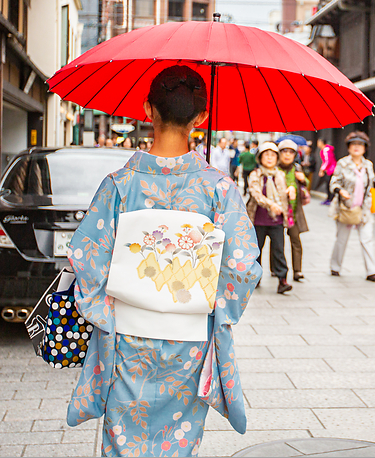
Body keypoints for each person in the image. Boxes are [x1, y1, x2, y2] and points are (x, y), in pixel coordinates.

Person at [65, 64, 262, 456]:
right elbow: (241, 266)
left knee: (124, 437)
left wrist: (110, 310)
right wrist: (209, 310)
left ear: (147, 110)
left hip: (128, 339)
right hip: (189, 342)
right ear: (201, 118)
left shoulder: (119, 185)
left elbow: (86, 257)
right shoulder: (218, 189)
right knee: (179, 442)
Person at [328, 131, 375, 282]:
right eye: (353, 144)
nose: (356, 147)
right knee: (342, 239)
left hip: (364, 209)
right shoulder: (343, 163)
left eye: (360, 144)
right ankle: (335, 267)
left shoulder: (368, 165)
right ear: (348, 147)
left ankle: (372, 271)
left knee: (366, 239)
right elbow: (334, 183)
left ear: (365, 148)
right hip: (346, 207)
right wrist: (341, 191)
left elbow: (371, 185)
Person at [246, 142, 293, 294]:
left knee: (279, 250)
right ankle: (255, 278)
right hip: (258, 220)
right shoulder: (255, 174)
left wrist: (290, 191)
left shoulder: (280, 174)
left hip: (276, 220)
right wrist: (270, 204)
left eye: (273, 155)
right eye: (266, 154)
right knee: (257, 250)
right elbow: (256, 193)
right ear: (260, 158)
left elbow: (284, 194)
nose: (269, 158)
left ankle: (282, 280)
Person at [278, 139, 309, 282]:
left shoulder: (297, 168)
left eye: (291, 152)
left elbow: (306, 185)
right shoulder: (275, 168)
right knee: (277, 242)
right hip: (278, 211)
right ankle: (276, 269)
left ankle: (297, 270)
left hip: (293, 211)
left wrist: (303, 180)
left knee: (296, 240)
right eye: (284, 151)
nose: (287, 155)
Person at [317, 139, 336, 205]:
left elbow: (327, 161)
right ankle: (329, 198)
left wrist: (322, 169)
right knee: (327, 184)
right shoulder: (324, 150)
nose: (318, 144)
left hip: (331, 170)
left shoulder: (326, 150)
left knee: (329, 184)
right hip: (328, 170)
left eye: (319, 142)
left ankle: (330, 199)